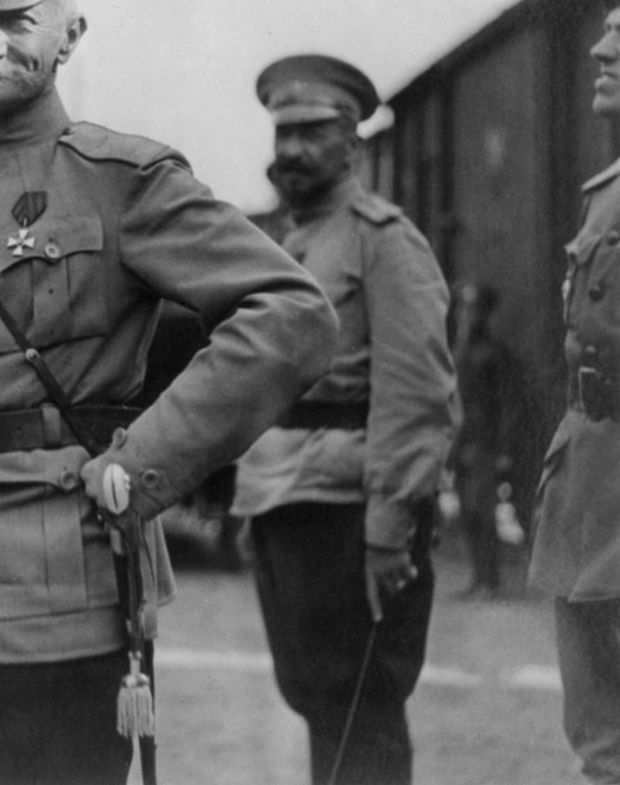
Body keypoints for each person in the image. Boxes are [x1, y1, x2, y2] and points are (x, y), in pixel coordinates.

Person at [0, 0, 339, 785]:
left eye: (18, 20)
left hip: (55, 586)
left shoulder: (123, 180)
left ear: (70, 35)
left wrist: (141, 461)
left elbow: (293, 313)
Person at [231, 55, 459, 785]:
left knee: (362, 707)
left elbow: (417, 396)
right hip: (284, 498)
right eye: (283, 132)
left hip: (351, 508)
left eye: (312, 132)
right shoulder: (286, 242)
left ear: (352, 144)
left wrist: (391, 526)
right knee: (319, 701)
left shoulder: (383, 240)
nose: (292, 149)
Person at [529, 0, 620, 784]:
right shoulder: (605, 195)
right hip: (593, 478)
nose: (601, 50)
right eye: (606, 32)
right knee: (597, 735)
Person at [448, 281, 515, 600]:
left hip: (485, 442)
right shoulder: (459, 351)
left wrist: (502, 449)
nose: (466, 315)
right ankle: (478, 576)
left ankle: (491, 580)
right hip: (462, 442)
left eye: (473, 309)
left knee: (484, 511)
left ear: (485, 314)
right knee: (466, 511)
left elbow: (505, 404)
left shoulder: (494, 353)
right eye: (463, 308)